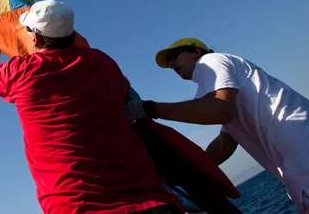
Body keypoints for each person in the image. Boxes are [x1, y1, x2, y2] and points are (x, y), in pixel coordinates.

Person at [0, 0, 183, 214]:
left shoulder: (20, 71)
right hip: (151, 201)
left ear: (36, 38)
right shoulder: (102, 62)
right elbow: (124, 92)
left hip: (78, 205)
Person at [125, 38, 309, 213]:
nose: (172, 64)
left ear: (196, 51)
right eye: (169, 63)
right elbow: (224, 143)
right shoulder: (213, 91)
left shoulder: (210, 61)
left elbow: (219, 109)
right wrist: (189, 171)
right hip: (294, 164)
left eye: (174, 56)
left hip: (301, 147)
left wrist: (148, 109)